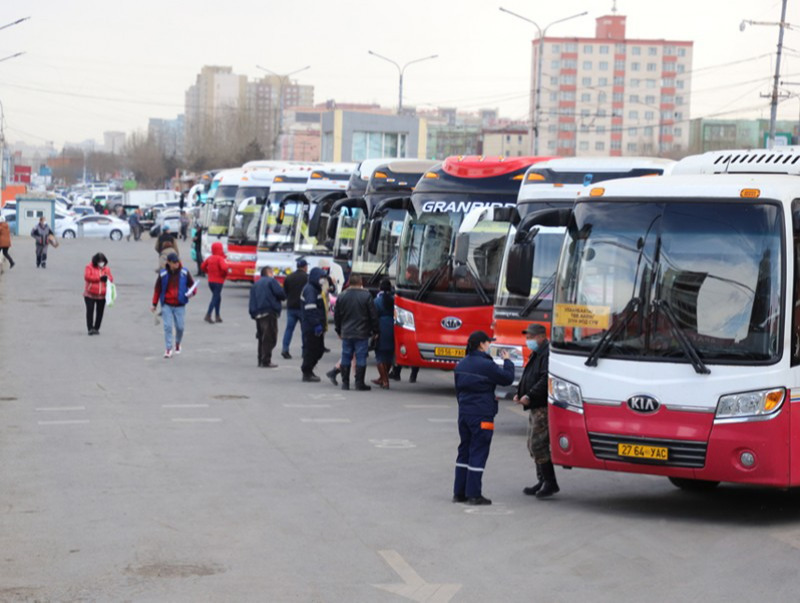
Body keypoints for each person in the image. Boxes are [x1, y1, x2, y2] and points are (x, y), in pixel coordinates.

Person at [453, 330, 514, 506]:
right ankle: (474, 494)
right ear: (481, 344)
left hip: (464, 414)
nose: (489, 345)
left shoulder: (461, 364)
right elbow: (507, 379)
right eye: (488, 342)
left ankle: (459, 492)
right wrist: (507, 360)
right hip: (482, 414)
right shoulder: (487, 365)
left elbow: (458, 391)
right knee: (479, 451)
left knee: (464, 450)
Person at [514, 323, 559, 498]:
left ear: (541, 337)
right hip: (534, 405)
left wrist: (530, 395)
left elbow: (544, 379)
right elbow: (529, 375)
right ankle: (542, 480)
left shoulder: (546, 354)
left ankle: (550, 482)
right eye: (527, 337)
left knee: (538, 444)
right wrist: (521, 393)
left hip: (542, 405)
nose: (528, 341)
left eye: (531, 337)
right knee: (532, 444)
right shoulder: (538, 353)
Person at [333, 273, 379, 391]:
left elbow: (337, 315)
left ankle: (345, 383)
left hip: (347, 332)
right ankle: (359, 383)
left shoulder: (342, 296)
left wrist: (338, 330)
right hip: (362, 333)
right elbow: (373, 315)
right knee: (361, 357)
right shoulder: (367, 296)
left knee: (346, 356)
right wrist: (376, 330)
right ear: (360, 282)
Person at [151, 252, 196, 358]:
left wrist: (192, 293)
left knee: (180, 327)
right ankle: (168, 349)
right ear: (169, 263)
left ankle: (177, 343)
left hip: (180, 304)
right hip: (167, 304)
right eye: (174, 262)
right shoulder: (163, 274)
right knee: (167, 327)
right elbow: (157, 290)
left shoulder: (184, 273)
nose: (176, 263)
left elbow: (193, 285)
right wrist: (154, 304)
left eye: (177, 261)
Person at [249, 266, 287, 367]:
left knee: (261, 336)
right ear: (269, 273)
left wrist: (253, 312)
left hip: (257, 313)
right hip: (269, 311)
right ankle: (266, 360)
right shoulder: (272, 281)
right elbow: (280, 293)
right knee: (270, 337)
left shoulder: (256, 284)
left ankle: (260, 359)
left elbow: (252, 299)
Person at [300, 267, 328, 382]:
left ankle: (309, 369)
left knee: (318, 349)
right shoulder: (310, 290)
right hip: (311, 326)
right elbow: (311, 309)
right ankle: (307, 372)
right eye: (321, 277)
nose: (323, 280)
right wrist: (316, 324)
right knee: (312, 350)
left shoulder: (315, 288)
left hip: (315, 325)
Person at [281, 259, 309, 359]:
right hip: (303, 308)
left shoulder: (289, 277)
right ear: (305, 267)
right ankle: (304, 351)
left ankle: (285, 349)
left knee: (289, 329)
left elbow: (285, 292)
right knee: (305, 331)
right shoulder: (307, 278)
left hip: (291, 307)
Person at [371, 279, 395, 389]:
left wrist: (374, 331)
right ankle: (383, 378)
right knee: (389, 355)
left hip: (381, 327)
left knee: (379, 355)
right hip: (393, 328)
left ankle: (385, 380)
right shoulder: (394, 300)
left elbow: (374, 317)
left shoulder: (377, 301)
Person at [83, 252, 113, 335]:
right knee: (90, 310)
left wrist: (107, 278)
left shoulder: (106, 269)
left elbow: (111, 278)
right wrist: (99, 278)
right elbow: (87, 277)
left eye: (102, 261)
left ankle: (96, 328)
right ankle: (90, 328)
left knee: (100, 312)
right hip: (90, 294)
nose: (101, 263)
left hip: (102, 294)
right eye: (99, 261)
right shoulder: (89, 267)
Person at [200, 241, 228, 323]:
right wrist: (223, 275)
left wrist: (207, 272)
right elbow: (225, 268)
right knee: (215, 297)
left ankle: (217, 315)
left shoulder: (210, 258)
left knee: (218, 297)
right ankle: (208, 314)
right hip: (218, 281)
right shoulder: (220, 258)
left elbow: (202, 266)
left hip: (210, 281)